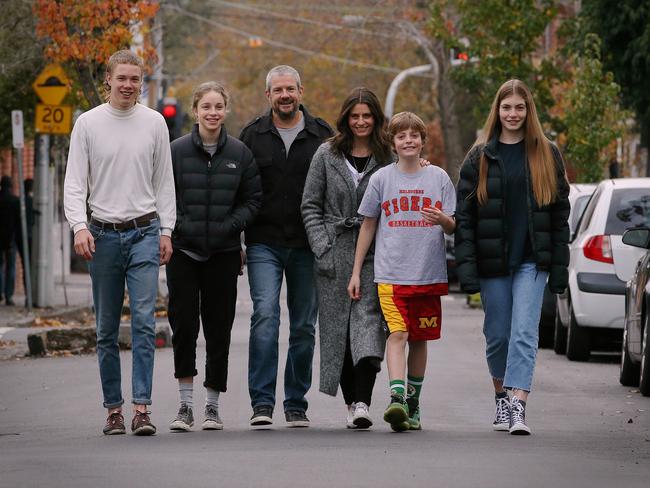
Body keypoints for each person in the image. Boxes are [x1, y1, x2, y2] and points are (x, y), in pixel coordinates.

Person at [64, 49, 176, 436]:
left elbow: (164, 182)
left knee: (145, 322)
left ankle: (141, 408)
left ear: (142, 82)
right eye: (122, 78)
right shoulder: (89, 124)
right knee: (106, 328)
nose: (128, 85)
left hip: (145, 231)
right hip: (103, 235)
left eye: (135, 79)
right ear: (108, 80)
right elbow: (75, 181)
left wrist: (166, 230)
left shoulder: (154, 123)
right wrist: (79, 226)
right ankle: (113, 409)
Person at [454, 79, 570, 435]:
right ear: (498, 111)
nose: (513, 113)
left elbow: (559, 215)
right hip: (493, 264)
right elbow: (465, 219)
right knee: (498, 335)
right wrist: (467, 272)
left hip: (532, 262)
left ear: (528, 111)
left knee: (523, 332)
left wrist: (560, 269)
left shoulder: (546, 153)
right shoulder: (479, 157)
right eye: (507, 107)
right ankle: (501, 397)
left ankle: (519, 404)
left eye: (520, 107)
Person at [348, 112, 456, 432]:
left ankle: (413, 403)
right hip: (391, 275)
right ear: (392, 142)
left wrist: (442, 220)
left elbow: (453, 225)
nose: (408, 140)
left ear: (423, 140)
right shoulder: (382, 179)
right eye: (401, 136)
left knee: (420, 340)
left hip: (428, 274)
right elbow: (368, 225)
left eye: (414, 135)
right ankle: (396, 398)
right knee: (397, 334)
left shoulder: (438, 178)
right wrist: (356, 272)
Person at [240, 65, 333, 427]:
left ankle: (296, 402)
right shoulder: (252, 135)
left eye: (290, 89)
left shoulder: (323, 135)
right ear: (268, 95)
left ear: (301, 91)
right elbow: (239, 190)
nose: (284, 95)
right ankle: (262, 403)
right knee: (264, 316)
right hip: (264, 242)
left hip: (308, 244)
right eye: (277, 90)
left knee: (304, 326)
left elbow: (348, 174)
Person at [167, 81, 261, 432]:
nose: (212, 112)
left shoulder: (240, 153)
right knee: (184, 327)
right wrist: (182, 227)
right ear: (196, 111)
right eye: (206, 106)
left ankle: (211, 407)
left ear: (226, 110)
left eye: (218, 106)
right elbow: (164, 195)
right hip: (184, 252)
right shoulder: (175, 151)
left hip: (223, 253)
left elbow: (253, 200)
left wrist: (228, 227)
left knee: (218, 331)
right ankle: (185, 405)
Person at [301, 87, 391, 429]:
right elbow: (310, 204)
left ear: (376, 118)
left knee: (368, 327)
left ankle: (363, 402)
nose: (361, 122)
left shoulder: (388, 156)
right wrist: (321, 244)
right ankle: (352, 402)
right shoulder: (327, 153)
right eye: (355, 116)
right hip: (334, 253)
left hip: (375, 253)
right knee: (338, 332)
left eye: (367, 116)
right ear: (345, 118)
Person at [0, 175, 19, 306]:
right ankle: (9, 296)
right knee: (11, 267)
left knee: (0, 265)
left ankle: (0, 292)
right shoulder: (15, 201)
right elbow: (19, 221)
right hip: (11, 238)